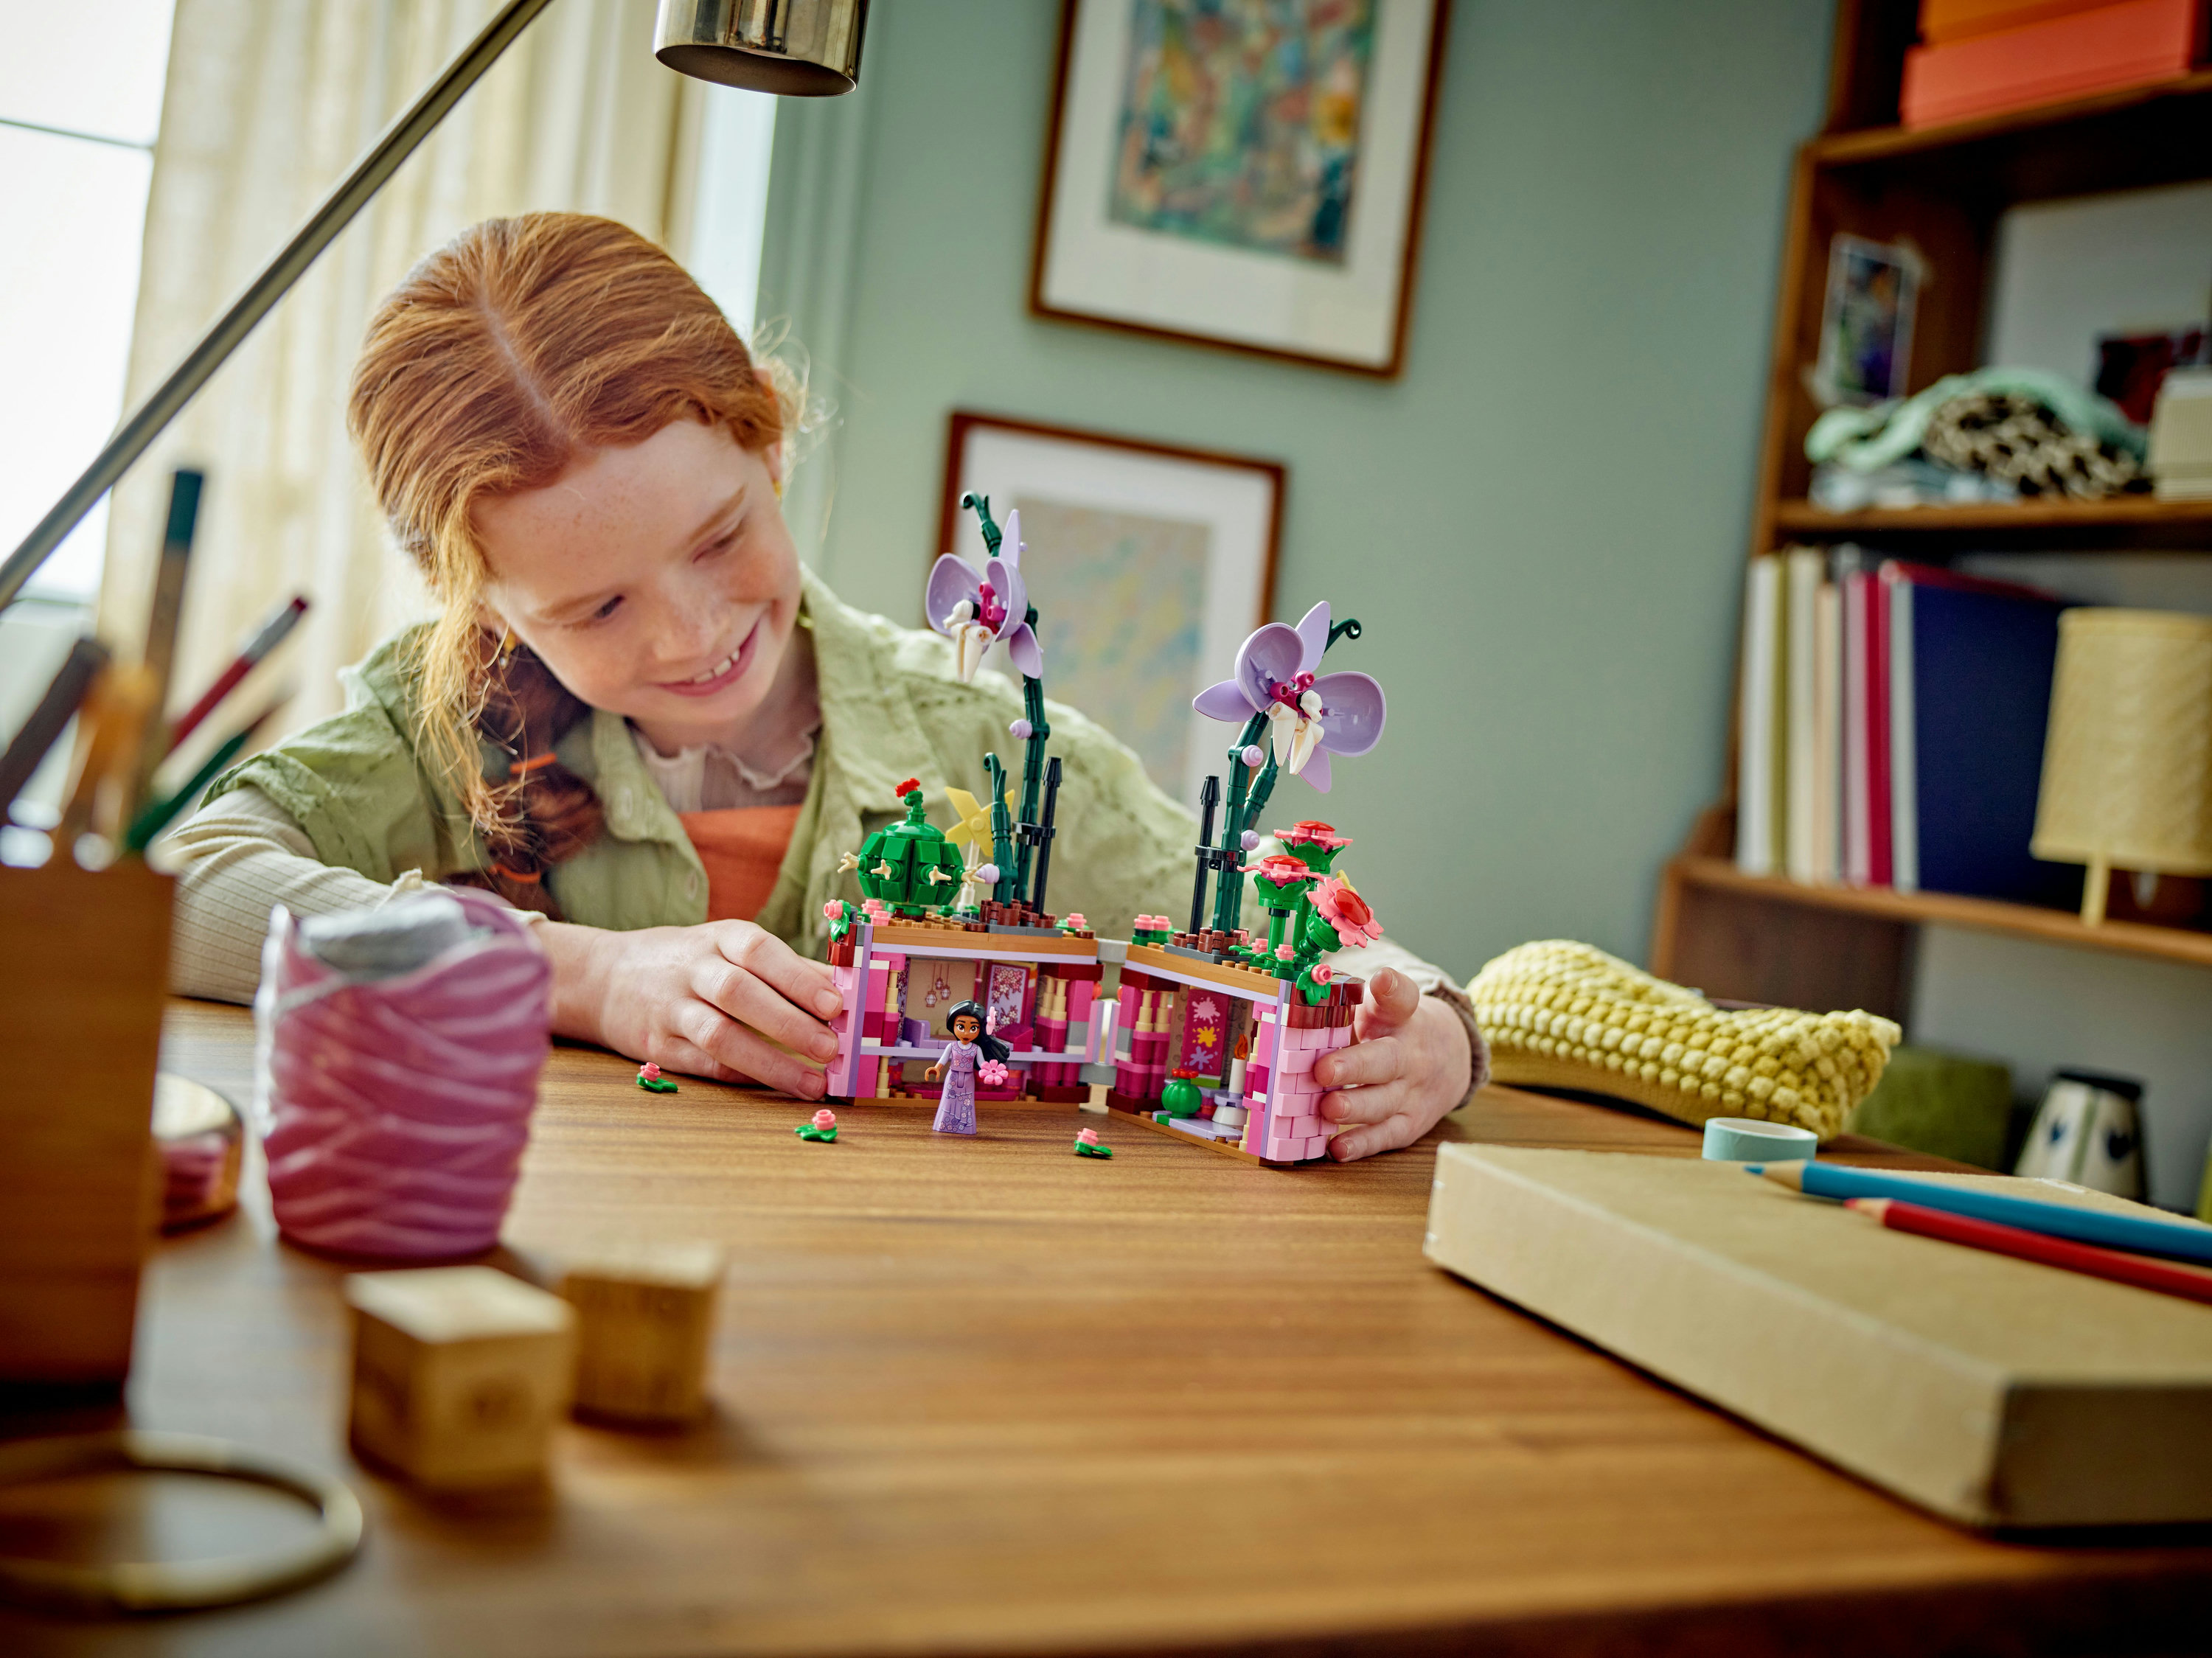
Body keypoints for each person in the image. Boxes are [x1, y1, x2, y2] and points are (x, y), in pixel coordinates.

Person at [163, 212, 1486, 1158]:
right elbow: (180, 888)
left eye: (720, 535)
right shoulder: (435, 722)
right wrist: (583, 975)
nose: (692, 634)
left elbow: (1331, 939)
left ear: (769, 442)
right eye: (598, 606)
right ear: (480, 609)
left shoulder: (982, 739)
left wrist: (1435, 1032)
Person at [923, 1001, 1005, 1137]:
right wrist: (936, 1068)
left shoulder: (976, 1049)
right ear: (953, 1026)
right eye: (961, 1026)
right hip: (953, 1077)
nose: (966, 1032)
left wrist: (990, 1073)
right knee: (949, 1100)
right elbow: (943, 1060)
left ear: (980, 1030)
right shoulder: (952, 1046)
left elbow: (983, 1064)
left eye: (973, 1028)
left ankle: (965, 1126)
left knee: (966, 1103)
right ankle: (945, 1124)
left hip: (968, 1079)